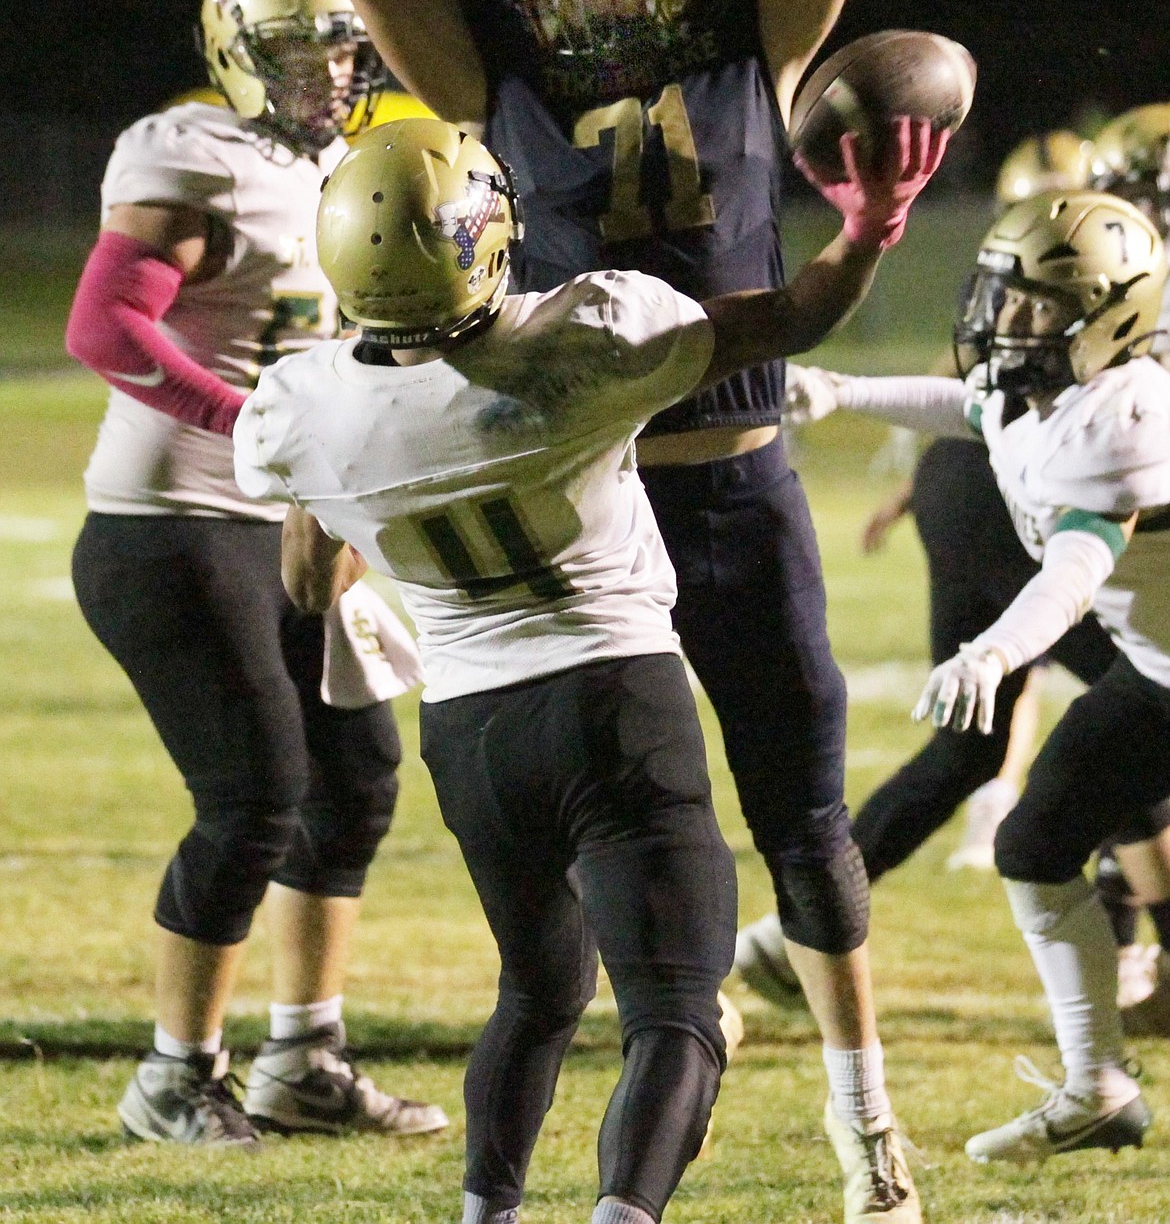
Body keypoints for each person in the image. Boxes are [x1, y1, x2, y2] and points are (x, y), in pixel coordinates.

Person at [325, 0, 934, 1214]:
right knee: (595, 873)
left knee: (804, 826)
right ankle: (626, 1095)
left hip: (734, 482)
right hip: (585, 515)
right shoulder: (486, 62)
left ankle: (869, 1139)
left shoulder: (750, 24)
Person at [232, 115, 944, 1224]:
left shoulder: (298, 407)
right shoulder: (593, 336)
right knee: (675, 1014)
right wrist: (867, 226)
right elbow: (793, 317)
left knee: (535, 993)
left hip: (469, 734)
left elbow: (310, 582)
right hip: (613, 698)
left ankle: (489, 1212)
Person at [65, 0, 447, 1145]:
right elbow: (106, 326)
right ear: (235, 54)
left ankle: (304, 1058)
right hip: (174, 524)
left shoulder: (357, 158)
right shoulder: (195, 157)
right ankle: (173, 1075)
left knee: (355, 783)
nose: (326, 73)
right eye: (296, 52)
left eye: (341, 49)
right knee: (255, 792)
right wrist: (254, 423)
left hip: (296, 522)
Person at [773, 187, 1170, 1161]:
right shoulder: (1051, 389)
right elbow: (973, 408)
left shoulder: (1126, 412)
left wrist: (995, 647)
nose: (1004, 320)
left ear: (1109, 317)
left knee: (1048, 833)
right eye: (1001, 294)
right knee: (1035, 843)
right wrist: (845, 391)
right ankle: (1098, 1085)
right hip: (1158, 670)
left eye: (1033, 304)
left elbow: (1078, 562)